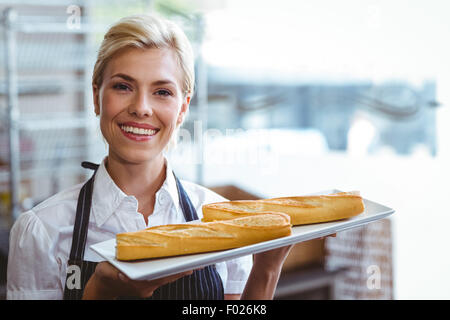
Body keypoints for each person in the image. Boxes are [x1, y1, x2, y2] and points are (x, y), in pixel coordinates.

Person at [6, 14, 294, 300]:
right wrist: (99, 293)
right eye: (123, 86)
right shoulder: (41, 231)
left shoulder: (219, 219)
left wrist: (267, 268)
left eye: (162, 91)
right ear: (96, 97)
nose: (141, 108)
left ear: (183, 108)